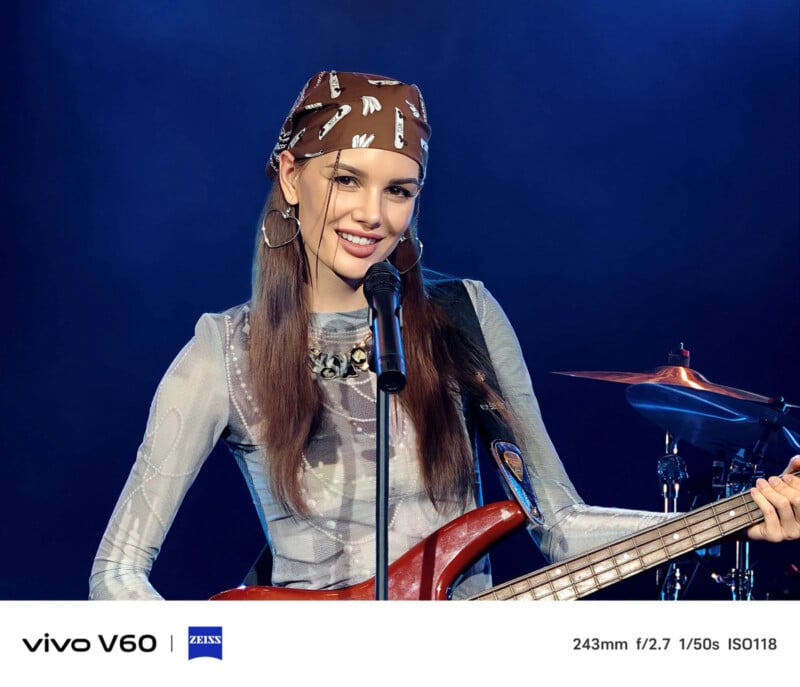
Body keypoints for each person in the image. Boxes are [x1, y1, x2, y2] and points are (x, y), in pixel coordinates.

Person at [89, 71, 800, 601]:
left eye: (398, 189)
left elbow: (560, 523)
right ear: (291, 176)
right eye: (347, 180)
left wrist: (733, 519)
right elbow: (117, 573)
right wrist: (204, 664)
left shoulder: (465, 315)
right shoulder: (224, 350)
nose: (373, 214)